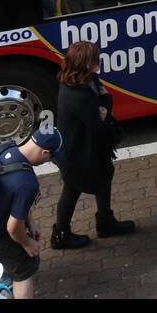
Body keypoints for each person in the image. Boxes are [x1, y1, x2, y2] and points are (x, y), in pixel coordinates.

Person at [52, 41, 135, 249]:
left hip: (81, 150)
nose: (98, 61)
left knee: (102, 178)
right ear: (85, 64)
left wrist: (105, 106)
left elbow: (105, 101)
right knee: (72, 190)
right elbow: (99, 123)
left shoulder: (78, 81)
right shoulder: (81, 96)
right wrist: (105, 110)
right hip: (81, 153)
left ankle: (104, 221)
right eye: (94, 59)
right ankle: (62, 235)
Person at [0, 128, 63, 300]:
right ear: (44, 152)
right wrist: (27, 244)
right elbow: (13, 227)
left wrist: (30, 222)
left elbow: (11, 196)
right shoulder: (28, 182)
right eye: (50, 157)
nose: (48, 161)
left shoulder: (5, 149)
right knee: (24, 268)